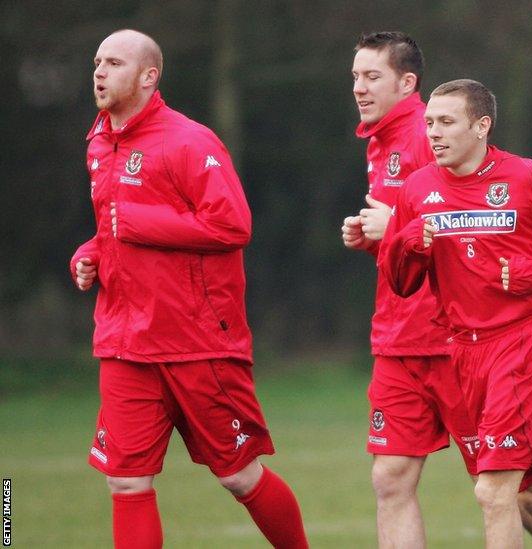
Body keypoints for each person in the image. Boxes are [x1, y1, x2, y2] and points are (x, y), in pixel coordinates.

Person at [70, 29, 307, 548]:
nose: (100, 72)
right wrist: (90, 254)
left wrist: (136, 222)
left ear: (148, 77)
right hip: (125, 343)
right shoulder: (99, 141)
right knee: (126, 480)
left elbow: (233, 226)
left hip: (196, 343)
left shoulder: (188, 140)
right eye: (97, 62)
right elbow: (110, 226)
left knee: (238, 476)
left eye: (113, 62)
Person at [380, 79, 532, 549]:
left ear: (481, 126)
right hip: (461, 354)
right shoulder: (417, 188)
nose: (433, 133)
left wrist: (531, 272)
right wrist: (409, 244)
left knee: (493, 490)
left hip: (524, 346)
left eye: (446, 122)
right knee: (531, 493)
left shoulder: (530, 177)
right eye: (429, 123)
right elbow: (399, 281)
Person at [340, 31, 484, 547]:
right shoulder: (380, 143)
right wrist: (375, 239)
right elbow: (415, 233)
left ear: (407, 82)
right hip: (399, 340)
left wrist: (394, 226)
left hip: (453, 339)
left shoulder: (432, 133)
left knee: (513, 489)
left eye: (372, 76)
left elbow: (481, 220)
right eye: (355, 76)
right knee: (390, 478)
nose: (359, 87)